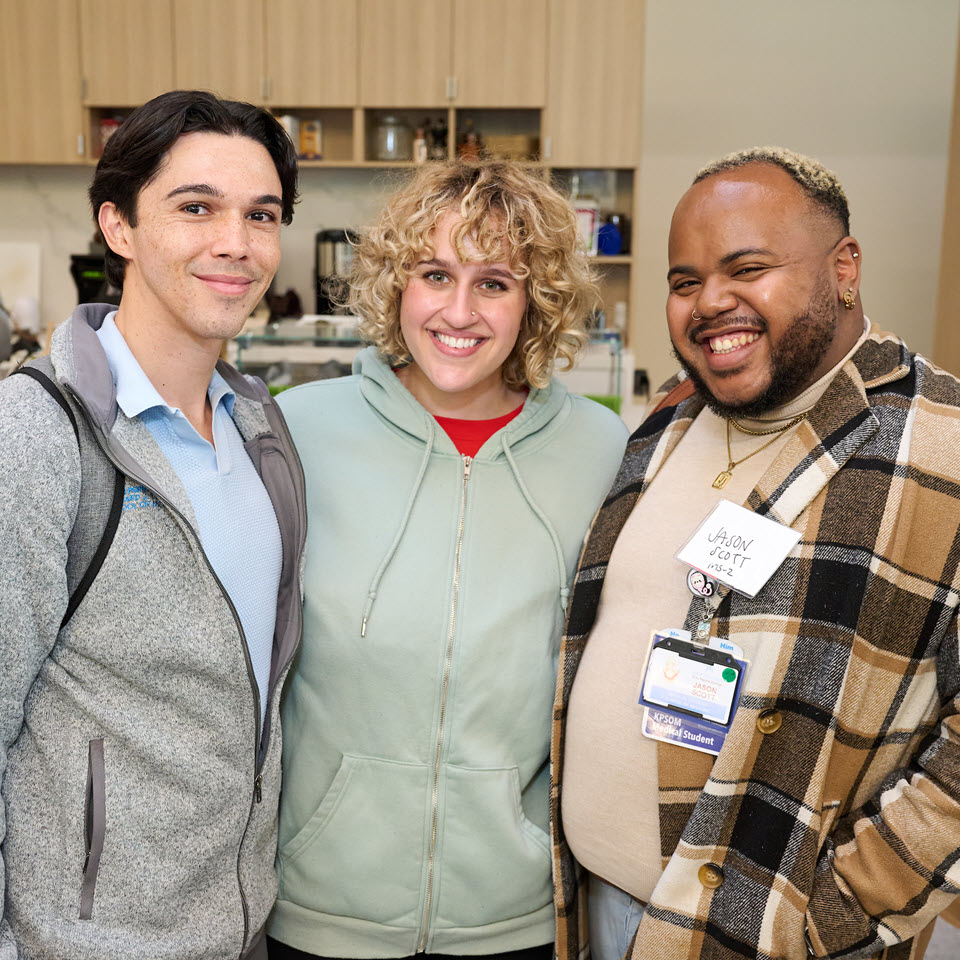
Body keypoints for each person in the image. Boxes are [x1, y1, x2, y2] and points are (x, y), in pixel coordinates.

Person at [551, 147, 960, 960]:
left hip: (770, 937)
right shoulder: (665, 427)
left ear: (845, 268)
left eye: (747, 266)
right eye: (684, 281)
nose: (710, 303)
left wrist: (835, 914)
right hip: (592, 908)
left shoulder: (942, 449)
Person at [267, 160, 628, 960]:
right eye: (435, 274)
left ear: (535, 300)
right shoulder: (299, 430)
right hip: (323, 909)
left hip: (515, 915)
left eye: (494, 282)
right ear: (398, 284)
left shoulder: (602, 452)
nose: (458, 312)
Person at [0, 90, 305, 960]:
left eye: (262, 215)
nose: (235, 244)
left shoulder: (259, 427)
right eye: (195, 208)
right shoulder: (35, 436)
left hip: (245, 927)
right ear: (119, 227)